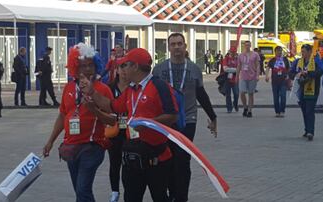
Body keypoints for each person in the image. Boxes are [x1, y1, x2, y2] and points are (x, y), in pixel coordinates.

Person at [79, 48, 178, 202]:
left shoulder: (159, 86)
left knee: (159, 197)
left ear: (135, 66)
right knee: (131, 197)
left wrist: (148, 124)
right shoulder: (131, 89)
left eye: (125, 65)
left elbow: (172, 115)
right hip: (133, 156)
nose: (122, 70)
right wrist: (92, 92)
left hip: (156, 157)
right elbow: (112, 106)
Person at [43, 43, 115, 202]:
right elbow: (62, 116)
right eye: (83, 66)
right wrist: (50, 141)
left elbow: (112, 117)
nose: (88, 69)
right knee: (80, 191)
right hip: (71, 146)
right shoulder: (69, 88)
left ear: (97, 66)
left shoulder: (102, 89)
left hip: (93, 146)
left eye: (91, 65)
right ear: (75, 67)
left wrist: (94, 104)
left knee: (83, 190)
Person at [153, 33, 218, 202]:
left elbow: (201, 94)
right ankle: (172, 192)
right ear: (168, 47)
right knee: (168, 159)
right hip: (167, 120)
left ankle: (181, 197)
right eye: (173, 44)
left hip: (188, 119)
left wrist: (213, 117)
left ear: (185, 46)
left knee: (182, 158)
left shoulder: (195, 69)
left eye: (179, 44)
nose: (176, 47)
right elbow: (153, 96)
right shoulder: (158, 70)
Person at [289, 44, 322, 141]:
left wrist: (308, 73)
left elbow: (320, 72)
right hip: (300, 90)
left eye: (304, 51)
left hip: (312, 90)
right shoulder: (298, 62)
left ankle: (310, 132)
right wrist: (298, 74)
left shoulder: (316, 61)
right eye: (302, 51)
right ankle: (307, 129)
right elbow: (290, 73)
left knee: (310, 110)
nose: (302, 53)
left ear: (309, 52)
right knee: (304, 110)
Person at [107, 66, 130, 202]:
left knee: (129, 164)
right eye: (121, 68)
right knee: (114, 163)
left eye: (127, 67)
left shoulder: (134, 87)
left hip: (130, 131)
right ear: (117, 70)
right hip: (114, 130)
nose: (124, 71)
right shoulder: (110, 88)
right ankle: (115, 191)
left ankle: (129, 189)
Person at [237, 41, 260, 117]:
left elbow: (257, 65)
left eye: (248, 45)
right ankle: (245, 107)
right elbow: (239, 66)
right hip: (243, 76)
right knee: (242, 92)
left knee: (251, 93)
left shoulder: (255, 54)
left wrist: (257, 75)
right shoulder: (241, 55)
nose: (247, 46)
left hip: (252, 76)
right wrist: (237, 76)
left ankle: (250, 110)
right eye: (246, 45)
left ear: (250, 46)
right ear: (244, 46)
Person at [265, 46, 291, 117]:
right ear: (275, 52)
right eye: (278, 51)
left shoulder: (285, 60)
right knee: (275, 97)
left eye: (280, 51)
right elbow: (268, 67)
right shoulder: (273, 60)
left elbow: (289, 69)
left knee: (283, 96)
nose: (279, 52)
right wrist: (267, 76)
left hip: (283, 81)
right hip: (275, 81)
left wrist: (289, 78)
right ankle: (277, 111)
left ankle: (282, 110)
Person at [222, 47, 239, 113]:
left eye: (234, 52)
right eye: (231, 52)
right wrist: (235, 70)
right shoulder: (226, 59)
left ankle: (235, 104)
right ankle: (229, 108)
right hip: (227, 79)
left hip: (235, 79)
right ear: (229, 52)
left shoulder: (237, 59)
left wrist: (231, 69)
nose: (233, 53)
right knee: (228, 94)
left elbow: (240, 68)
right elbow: (225, 69)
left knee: (236, 94)